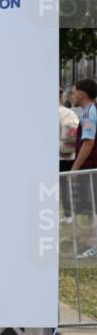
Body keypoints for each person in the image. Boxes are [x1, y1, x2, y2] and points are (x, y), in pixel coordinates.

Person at [71, 78, 97, 257]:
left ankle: (94, 246)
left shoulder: (88, 113)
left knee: (92, 208)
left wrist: (75, 169)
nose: (71, 96)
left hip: (91, 168)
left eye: (73, 92)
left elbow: (88, 143)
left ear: (82, 94)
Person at [61, 91, 81, 224]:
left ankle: (68, 215)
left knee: (63, 186)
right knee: (68, 185)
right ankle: (70, 214)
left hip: (61, 156)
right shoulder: (69, 113)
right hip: (70, 154)